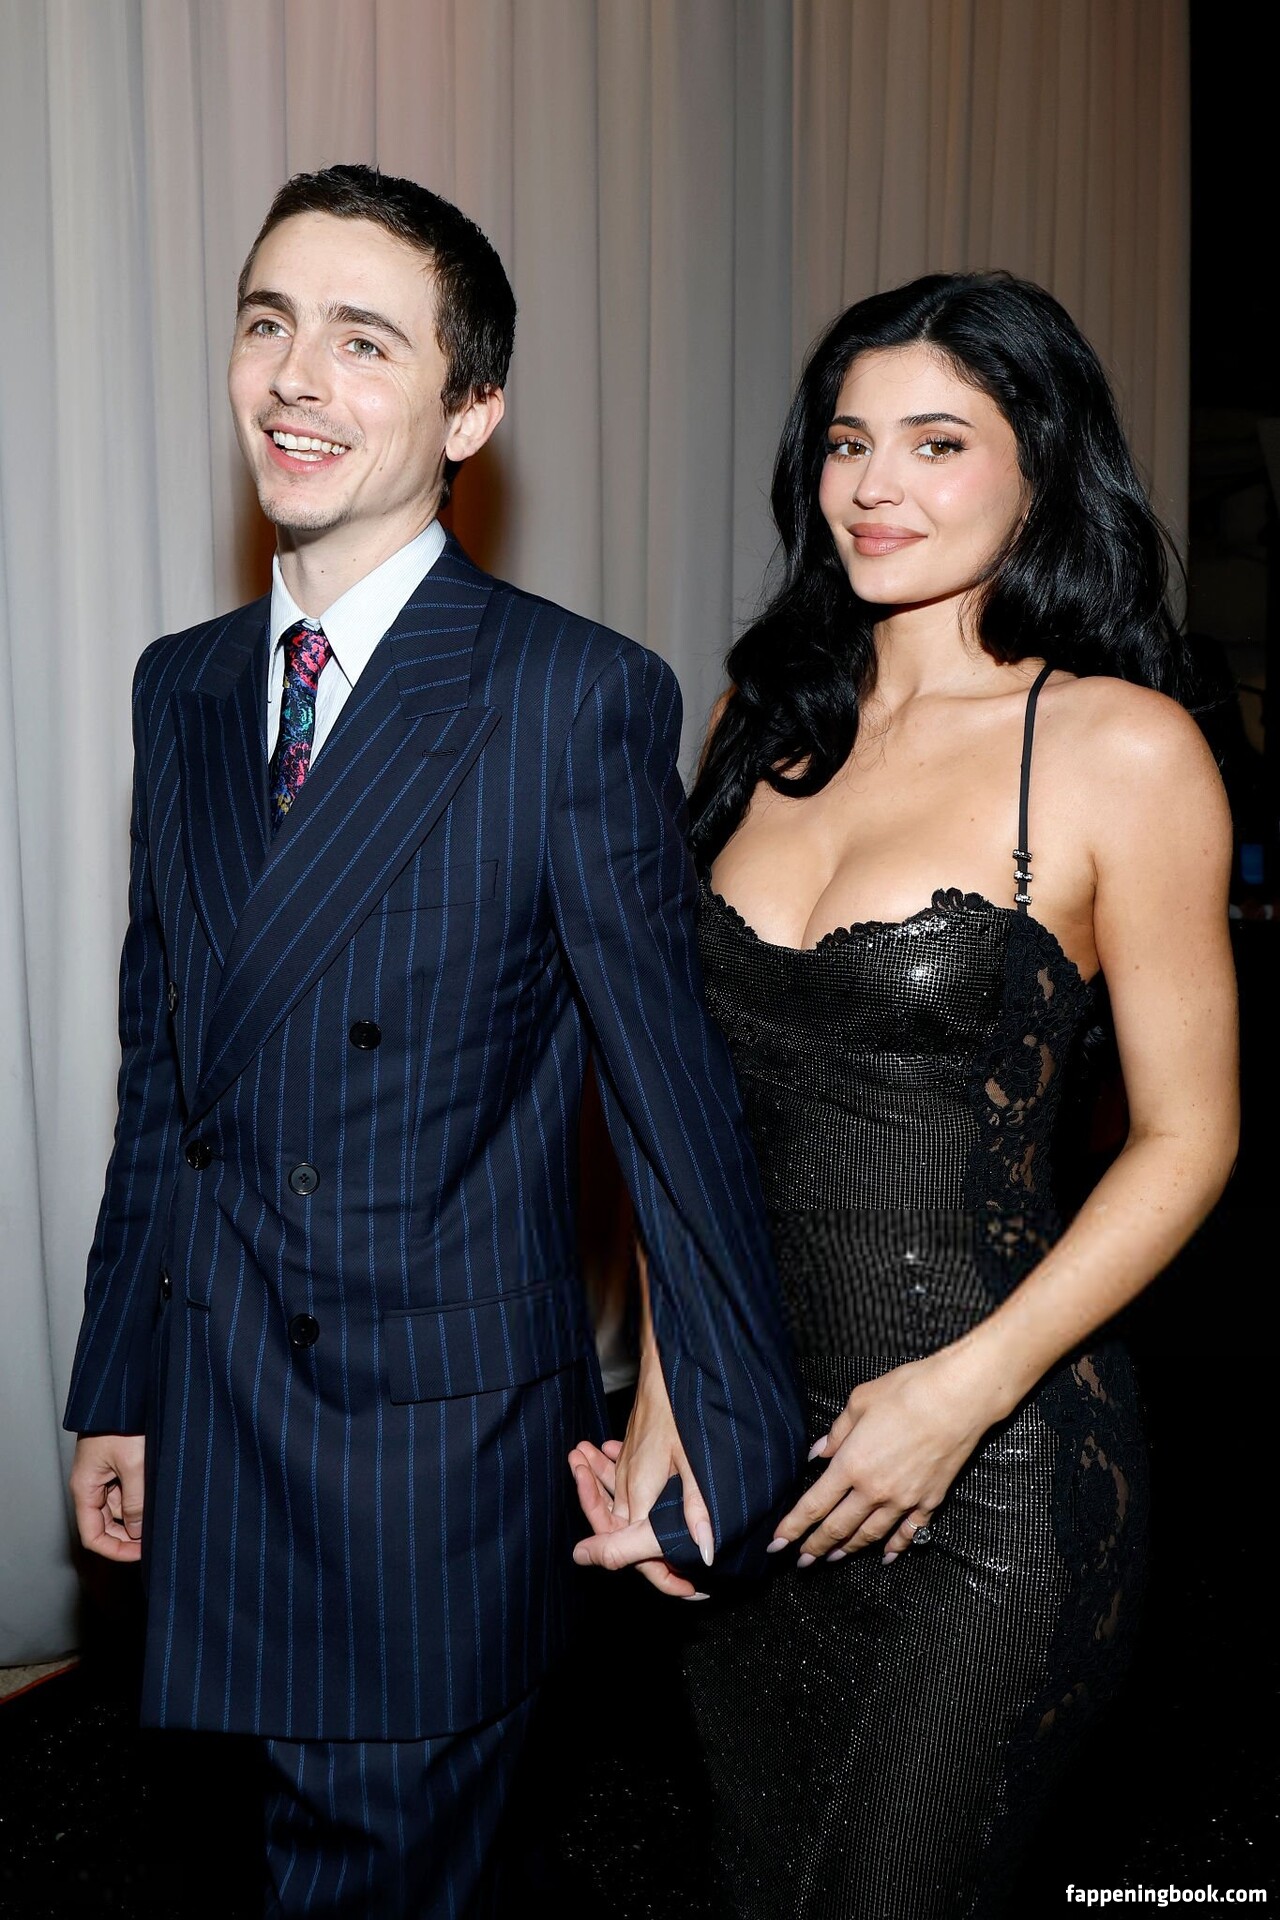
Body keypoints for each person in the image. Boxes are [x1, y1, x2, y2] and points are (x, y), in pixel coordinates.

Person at [63, 162, 805, 1918]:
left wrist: (719, 1426)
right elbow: (165, 1074)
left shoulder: (568, 695)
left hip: (429, 1455)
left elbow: (669, 1099)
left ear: (472, 411)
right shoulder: (184, 683)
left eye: (363, 341)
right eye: (268, 324)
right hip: (213, 1406)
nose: (295, 378)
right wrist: (118, 1385)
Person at [571, 271, 1238, 1917]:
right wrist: (673, 1395)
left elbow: (1189, 1136)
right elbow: (683, 1111)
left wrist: (962, 1394)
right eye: (848, 441)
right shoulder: (759, 724)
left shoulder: (1123, 748)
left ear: (1042, 466)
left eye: (938, 443)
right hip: (763, 1455)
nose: (874, 486)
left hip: (993, 1472)